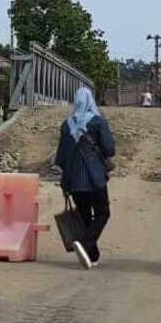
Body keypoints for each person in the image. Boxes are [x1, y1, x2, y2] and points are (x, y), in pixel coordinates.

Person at [54, 87, 116, 270]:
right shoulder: (97, 122)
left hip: (73, 179)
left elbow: (61, 157)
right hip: (94, 177)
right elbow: (109, 149)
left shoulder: (66, 125)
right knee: (103, 213)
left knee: (85, 216)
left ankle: (92, 256)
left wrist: (65, 181)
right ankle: (84, 241)